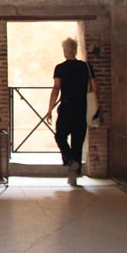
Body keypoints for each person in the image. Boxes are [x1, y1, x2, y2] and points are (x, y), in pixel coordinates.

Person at [43, 37, 97, 187]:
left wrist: (49, 109)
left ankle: (71, 160)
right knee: (77, 143)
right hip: (82, 108)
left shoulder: (60, 68)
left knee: (60, 136)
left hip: (66, 108)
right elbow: (94, 87)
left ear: (65, 51)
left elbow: (56, 89)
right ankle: (74, 176)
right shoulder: (86, 67)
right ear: (75, 50)